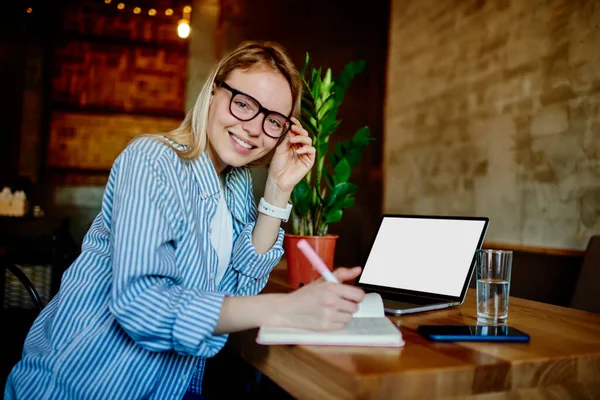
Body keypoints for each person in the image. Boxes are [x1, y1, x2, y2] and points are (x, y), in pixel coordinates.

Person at [5, 41, 365, 400]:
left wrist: (278, 188)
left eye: (272, 121)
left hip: (168, 387)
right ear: (212, 93)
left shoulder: (235, 184)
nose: (254, 129)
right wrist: (284, 310)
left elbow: (239, 293)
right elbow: (140, 305)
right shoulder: (152, 160)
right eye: (242, 104)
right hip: (83, 384)